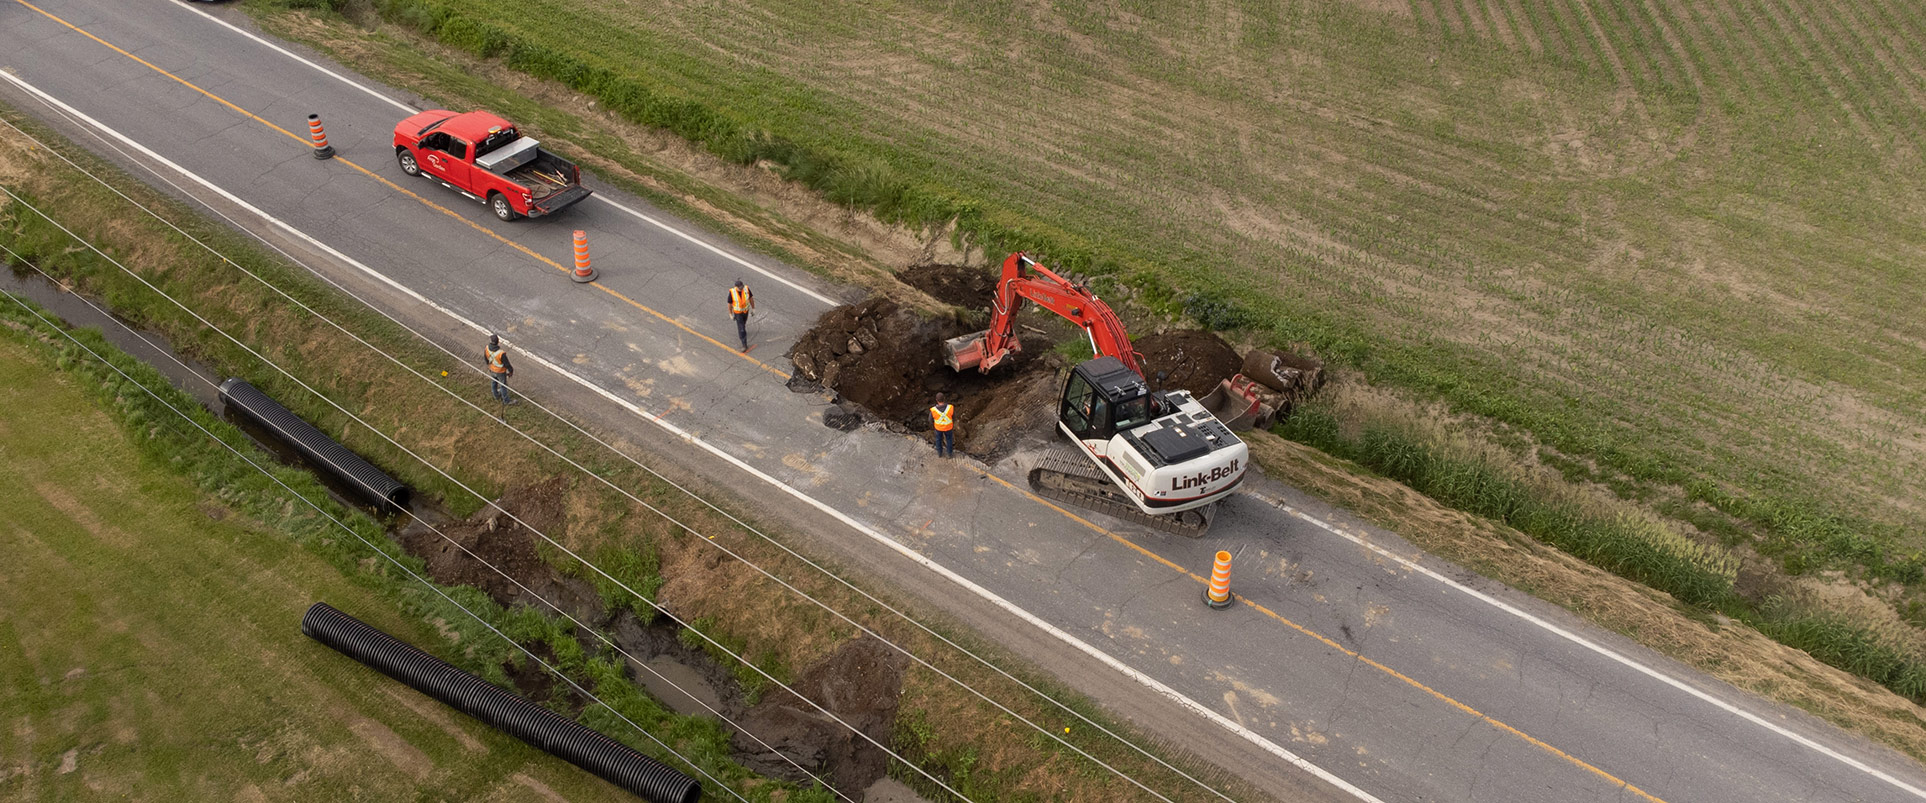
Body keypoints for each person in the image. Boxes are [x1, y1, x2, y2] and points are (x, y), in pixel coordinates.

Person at [484, 333, 516, 406]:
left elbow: (486, 359)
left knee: (494, 382)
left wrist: (489, 366)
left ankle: (496, 395)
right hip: (500, 372)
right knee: (503, 385)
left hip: (492, 369)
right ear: (498, 342)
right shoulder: (501, 353)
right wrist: (511, 371)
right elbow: (507, 364)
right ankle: (506, 401)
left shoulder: (487, 348)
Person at [728, 279, 756, 352]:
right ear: (736, 287)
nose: (741, 288)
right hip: (738, 313)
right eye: (740, 288)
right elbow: (729, 304)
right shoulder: (732, 292)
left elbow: (751, 299)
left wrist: (753, 308)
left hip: (745, 311)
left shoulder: (746, 289)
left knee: (743, 323)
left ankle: (742, 332)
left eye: (742, 287)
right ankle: (744, 345)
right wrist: (730, 313)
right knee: (741, 328)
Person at [929, 392, 955, 458]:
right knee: (949, 440)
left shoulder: (933, 410)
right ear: (944, 399)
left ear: (936, 400)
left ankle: (939, 453)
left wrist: (934, 425)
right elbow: (954, 417)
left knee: (938, 440)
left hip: (938, 428)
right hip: (948, 427)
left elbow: (930, 420)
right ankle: (949, 453)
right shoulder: (950, 408)